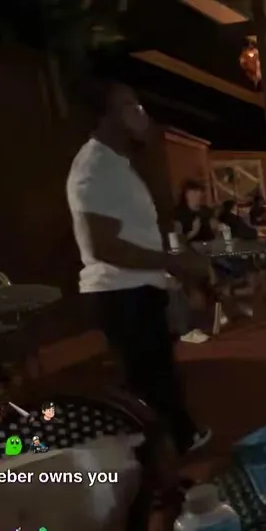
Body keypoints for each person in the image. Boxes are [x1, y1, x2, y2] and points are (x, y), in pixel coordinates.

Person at [66, 79, 211, 455]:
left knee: (157, 374)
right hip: (120, 292)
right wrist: (172, 261)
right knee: (148, 379)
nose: (141, 115)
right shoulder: (94, 168)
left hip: (139, 288)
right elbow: (104, 246)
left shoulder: (118, 165)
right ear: (104, 117)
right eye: (130, 107)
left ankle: (175, 441)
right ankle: (165, 454)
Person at [174, 179, 216, 246]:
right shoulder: (178, 213)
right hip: (190, 249)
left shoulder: (207, 210)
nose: (198, 195)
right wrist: (193, 231)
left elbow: (214, 232)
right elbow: (178, 241)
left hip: (210, 246)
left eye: (200, 192)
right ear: (186, 194)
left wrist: (216, 228)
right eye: (195, 192)